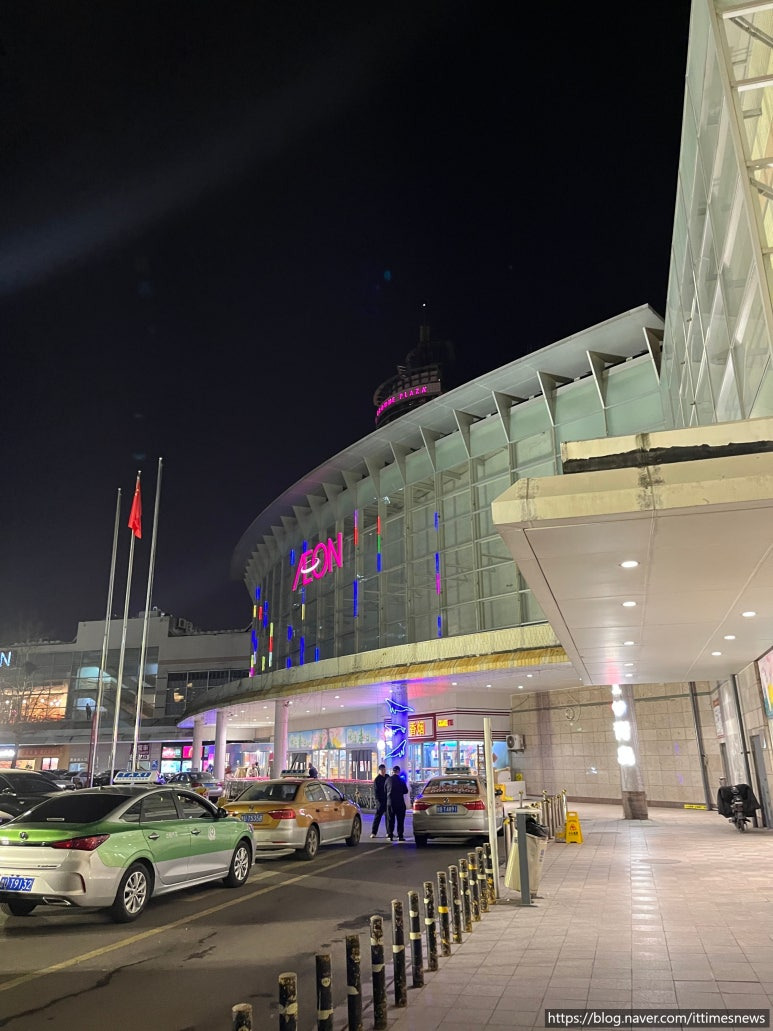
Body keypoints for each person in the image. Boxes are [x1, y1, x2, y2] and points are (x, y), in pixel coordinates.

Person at [386, 765, 409, 842]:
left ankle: (390, 835)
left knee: (390, 819)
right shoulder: (401, 780)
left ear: (393, 771)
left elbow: (385, 790)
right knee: (400, 820)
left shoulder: (388, 779)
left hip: (390, 803)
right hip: (400, 803)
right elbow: (406, 791)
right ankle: (400, 836)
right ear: (398, 771)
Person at [371, 763, 388, 838]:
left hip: (387, 800)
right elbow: (376, 792)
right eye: (382, 770)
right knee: (378, 817)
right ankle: (374, 832)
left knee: (388, 817)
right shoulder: (377, 780)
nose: (383, 771)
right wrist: (378, 801)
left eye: (384, 769)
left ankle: (389, 832)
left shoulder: (387, 777)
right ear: (379, 771)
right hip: (380, 801)